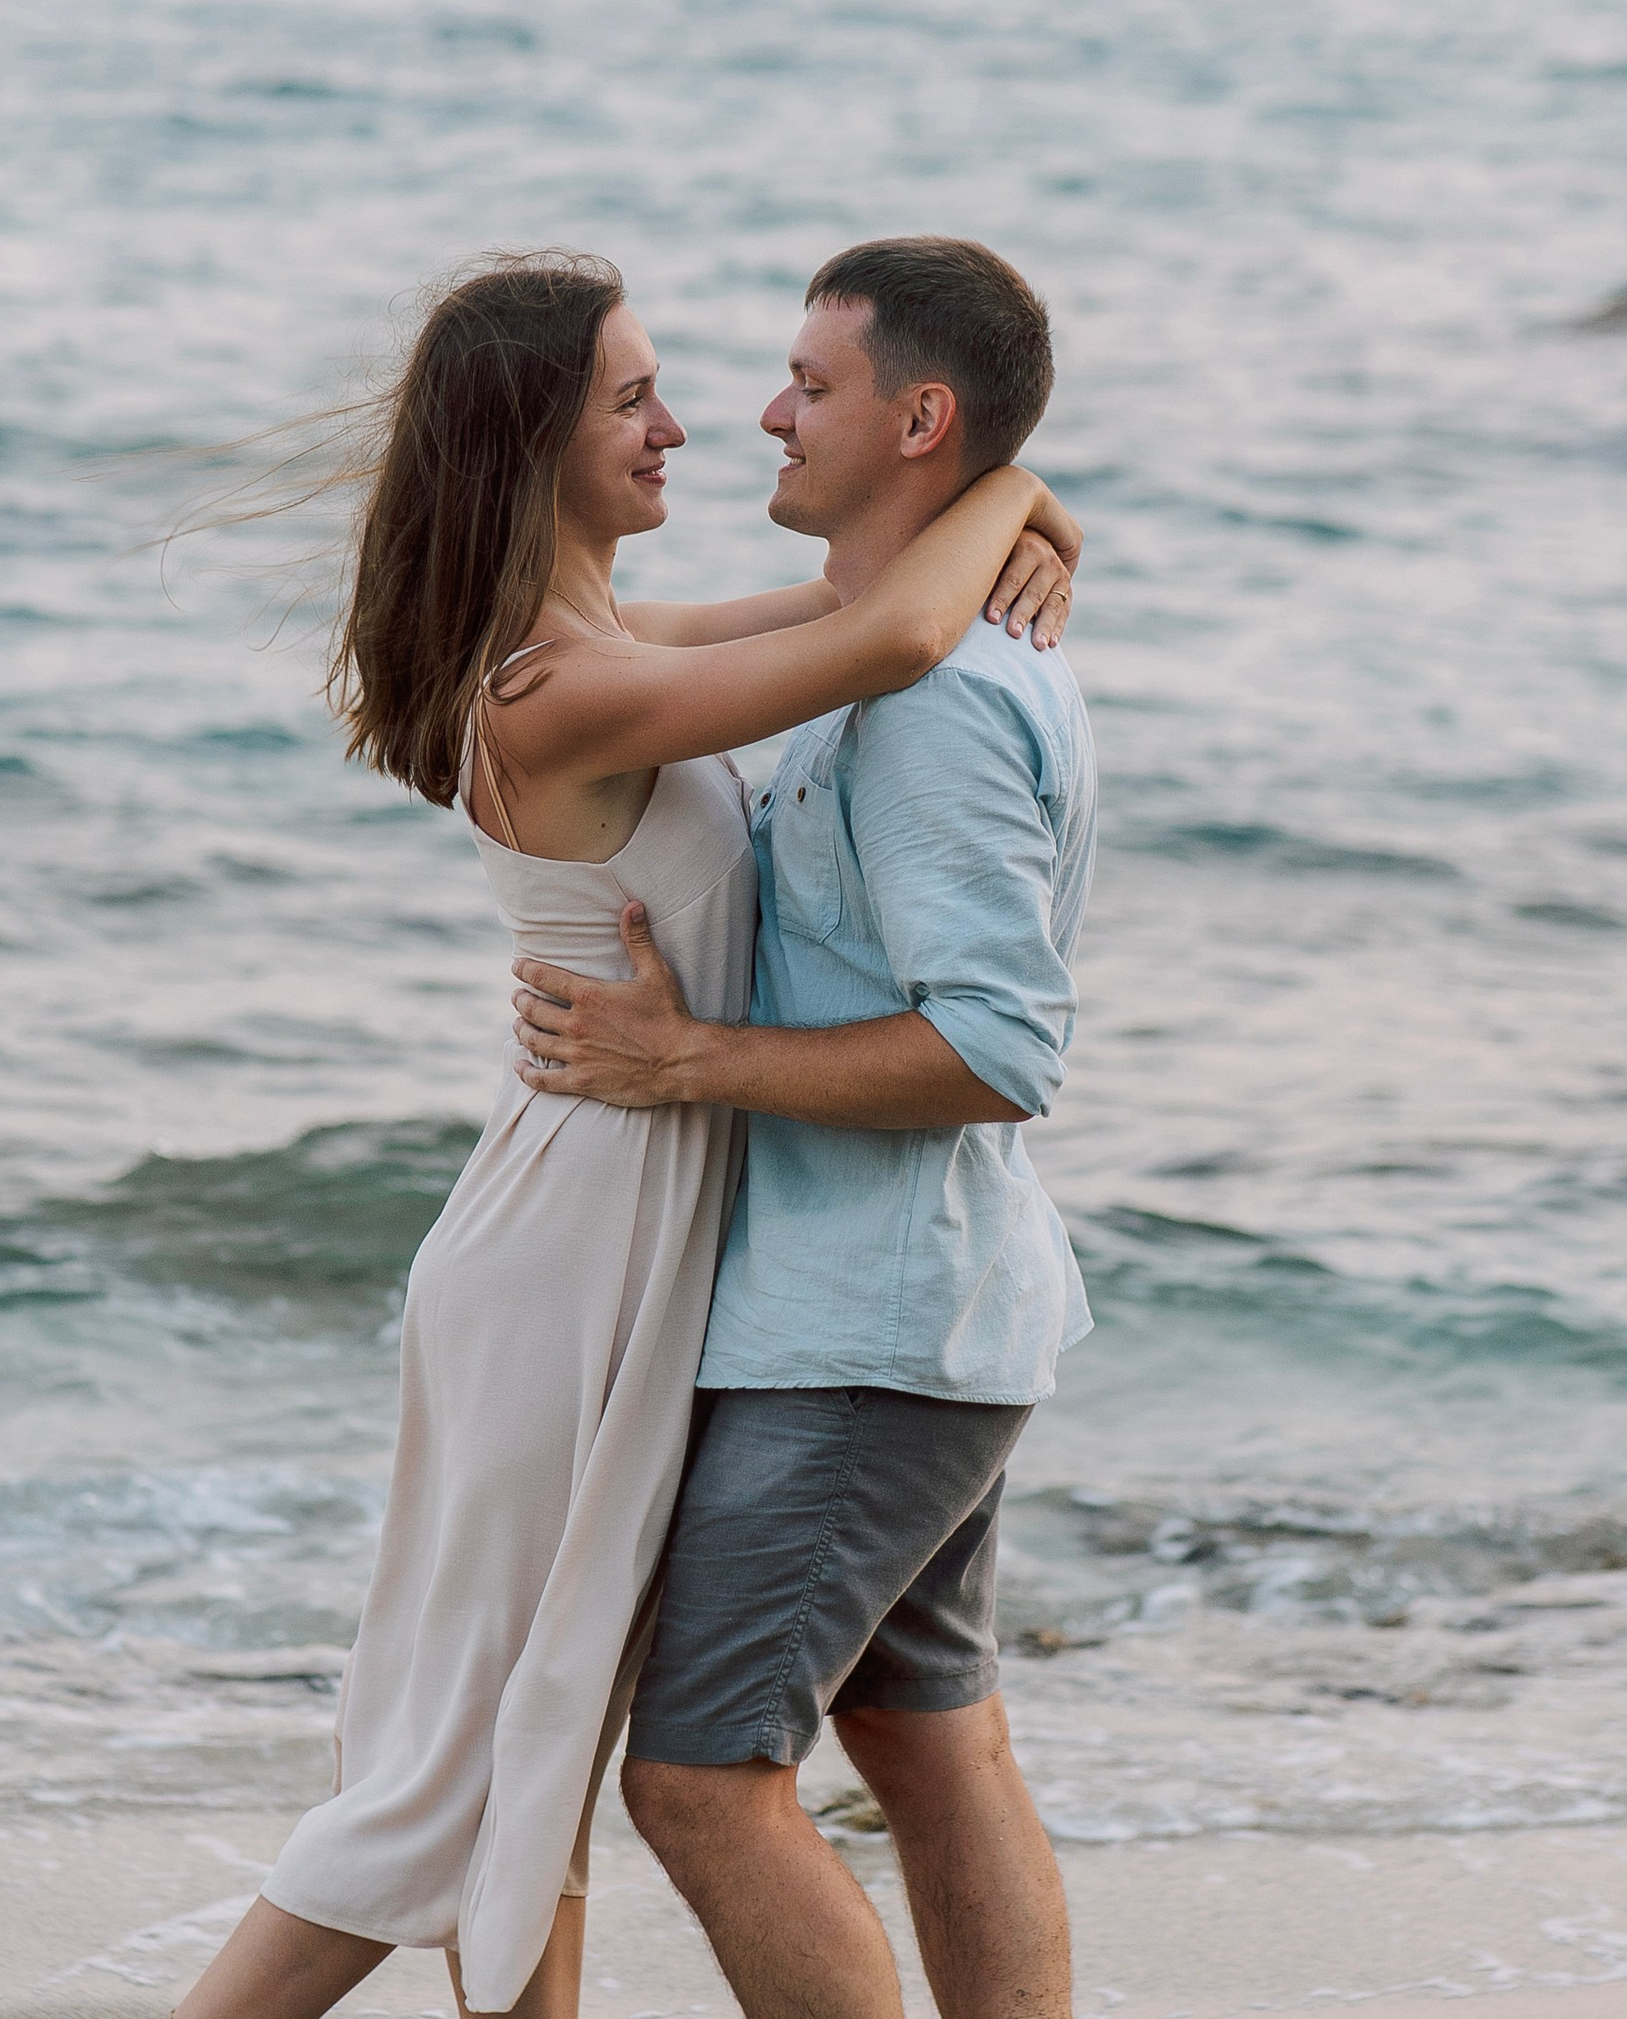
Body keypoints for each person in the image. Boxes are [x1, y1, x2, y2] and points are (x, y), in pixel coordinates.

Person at [171, 249, 1080, 2019]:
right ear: (534, 446)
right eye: (630, 399)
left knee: (539, 1750)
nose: (684, 425)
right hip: (571, 1252)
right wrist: (1023, 483)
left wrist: (1009, 503)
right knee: (450, 1776)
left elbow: (876, 607)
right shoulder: (550, 692)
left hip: (631, 1225)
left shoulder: (610, 638)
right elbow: (890, 633)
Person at [507, 236, 1098, 2019]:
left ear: (919, 420)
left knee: (698, 1780)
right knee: (926, 1739)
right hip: (927, 1307)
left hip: (866, 1331)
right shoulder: (892, 657)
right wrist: (1014, 498)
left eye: (810, 387)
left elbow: (1000, 1047)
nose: (763, 414)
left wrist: (692, 1063)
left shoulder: (926, 698)